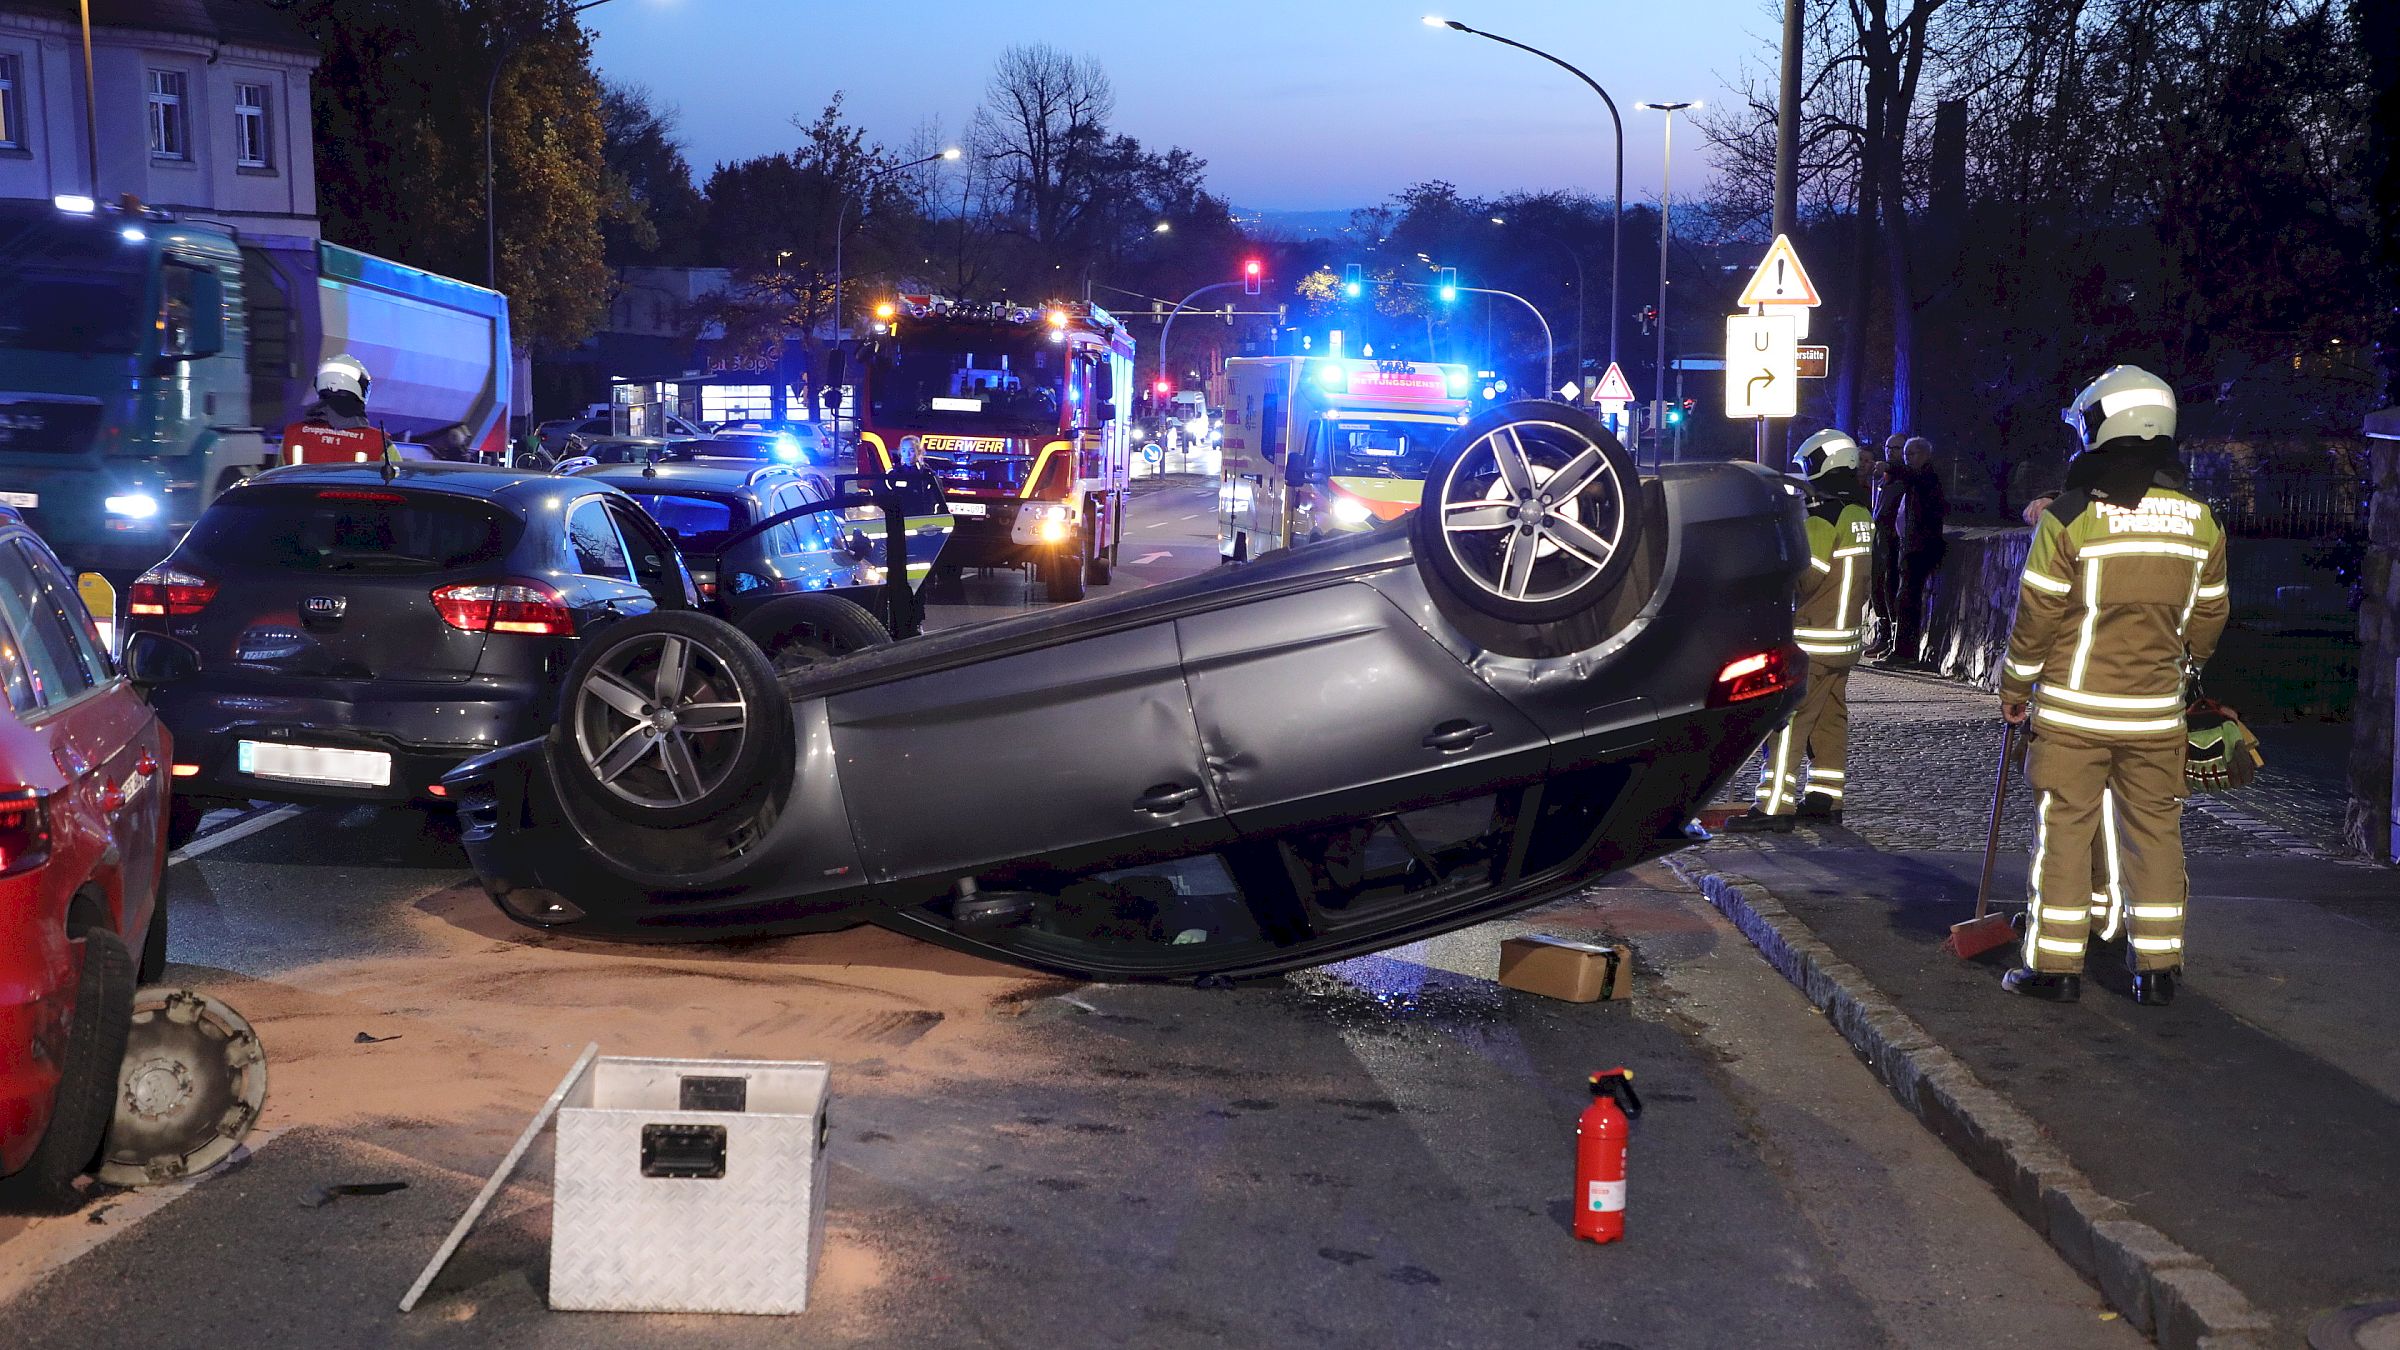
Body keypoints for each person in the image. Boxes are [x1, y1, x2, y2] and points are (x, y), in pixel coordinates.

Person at [1998, 365, 2228, 1005]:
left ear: (2103, 427)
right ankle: (2157, 969)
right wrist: (2182, 668)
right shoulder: (2201, 521)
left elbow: (2036, 616)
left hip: (2073, 714)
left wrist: (2015, 686)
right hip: (2156, 717)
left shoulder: (2070, 519)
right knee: (2155, 833)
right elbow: (2209, 616)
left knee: (2065, 832)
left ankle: (2055, 967)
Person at [1727, 430, 1877, 833]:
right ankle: (1826, 797)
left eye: (1809, 465)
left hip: (1813, 639)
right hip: (1845, 640)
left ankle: (1774, 808)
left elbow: (1808, 577)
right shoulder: (1860, 513)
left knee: (1789, 721)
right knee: (1831, 719)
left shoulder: (1825, 515)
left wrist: (1776, 562)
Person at [1887, 435, 1949, 667]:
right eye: (1905, 455)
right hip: (1911, 546)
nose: (1907, 459)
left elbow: (1911, 477)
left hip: (1919, 548)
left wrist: (1891, 466)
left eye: (1911, 454)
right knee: (1903, 598)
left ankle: (1904, 652)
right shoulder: (1917, 479)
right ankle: (1901, 649)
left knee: (1908, 600)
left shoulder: (1928, 477)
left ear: (1924, 454)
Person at [281, 355, 395, 466]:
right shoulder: (379, 443)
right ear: (361, 388)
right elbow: (399, 479)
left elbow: (274, 477)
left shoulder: (293, 433)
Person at [1869, 432, 1909, 649]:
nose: (1889, 451)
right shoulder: (1884, 478)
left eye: (1895, 448)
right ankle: (1882, 633)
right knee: (1876, 586)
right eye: (1887, 447)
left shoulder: (1904, 477)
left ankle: (1892, 637)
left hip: (1894, 540)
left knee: (1889, 586)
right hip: (1880, 537)